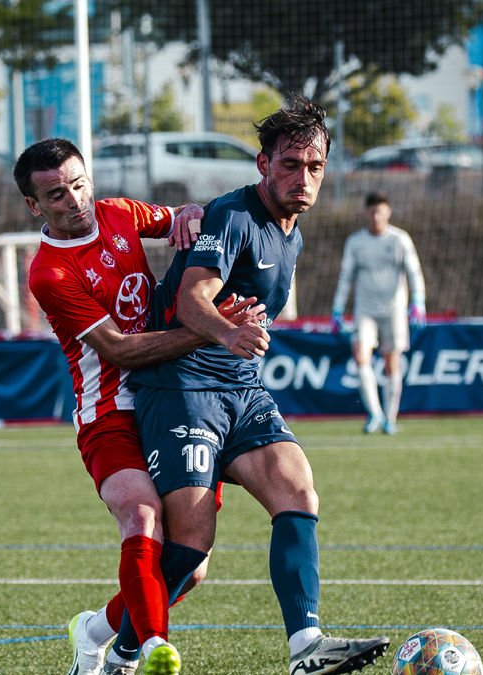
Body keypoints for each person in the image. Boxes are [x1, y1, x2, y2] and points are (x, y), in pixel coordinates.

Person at [128, 95, 391, 675]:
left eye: (314, 167)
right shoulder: (233, 216)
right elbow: (191, 297)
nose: (303, 177)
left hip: (239, 388)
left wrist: (234, 345)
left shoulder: (290, 234)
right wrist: (227, 333)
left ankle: (306, 648)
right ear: (262, 164)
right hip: (181, 387)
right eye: (290, 164)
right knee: (191, 550)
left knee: (297, 490)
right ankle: (111, 642)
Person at [15, 138, 262, 675]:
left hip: (174, 397)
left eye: (79, 184)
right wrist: (216, 332)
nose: (74, 200)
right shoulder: (48, 274)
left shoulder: (120, 213)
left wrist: (193, 214)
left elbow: (185, 219)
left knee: (188, 567)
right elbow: (121, 350)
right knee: (141, 514)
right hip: (108, 413)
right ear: (35, 206)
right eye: (56, 194)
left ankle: (97, 630)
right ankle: (144, 652)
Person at [329, 192, 427, 435]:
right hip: (365, 311)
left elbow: (414, 271)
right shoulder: (356, 242)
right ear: (366, 213)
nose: (376, 217)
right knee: (361, 357)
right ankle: (374, 413)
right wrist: (338, 307)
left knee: (391, 363)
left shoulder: (399, 239)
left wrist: (418, 300)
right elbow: (345, 277)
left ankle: (390, 418)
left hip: (394, 310)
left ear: (388, 213)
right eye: (372, 212)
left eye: (380, 212)